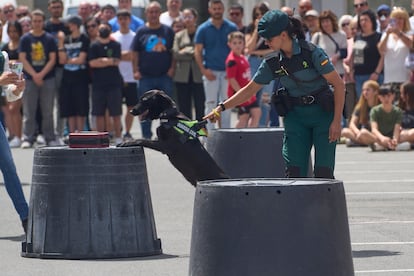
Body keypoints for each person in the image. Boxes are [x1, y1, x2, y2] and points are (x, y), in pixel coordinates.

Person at [204, 10, 345, 179]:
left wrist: (337, 121)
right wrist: (221, 107)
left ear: (284, 35)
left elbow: (338, 84)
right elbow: (249, 90)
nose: (266, 42)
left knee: (324, 173)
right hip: (295, 117)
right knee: (294, 173)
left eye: (269, 39)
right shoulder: (272, 62)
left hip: (323, 115)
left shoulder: (312, 53)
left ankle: (323, 206)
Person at [131, 1, 175, 139]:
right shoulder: (141, 31)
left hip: (164, 76)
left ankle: (166, 134)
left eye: (156, 11)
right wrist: (135, 70)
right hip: (146, 77)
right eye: (151, 12)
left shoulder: (168, 31)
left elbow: (174, 52)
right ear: (146, 14)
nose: (154, 14)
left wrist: (172, 69)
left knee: (167, 107)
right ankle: (146, 135)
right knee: (145, 107)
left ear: (160, 13)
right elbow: (135, 52)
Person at [194, 0, 237, 130]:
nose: (217, 11)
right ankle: (210, 135)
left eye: (219, 8)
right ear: (210, 10)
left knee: (227, 103)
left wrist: (231, 72)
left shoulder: (231, 27)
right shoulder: (203, 28)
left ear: (223, 9)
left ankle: (226, 132)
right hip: (210, 71)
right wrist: (204, 70)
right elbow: (197, 51)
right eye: (214, 8)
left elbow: (236, 50)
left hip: (227, 73)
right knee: (210, 103)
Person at [19, 9, 58, 148]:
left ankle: (49, 137)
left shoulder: (49, 39)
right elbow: (22, 58)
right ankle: (28, 137)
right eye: (34, 21)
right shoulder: (25, 39)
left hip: (47, 78)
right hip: (29, 79)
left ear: (43, 22)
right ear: (31, 23)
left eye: (39, 21)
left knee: (48, 110)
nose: (37, 23)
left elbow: (53, 59)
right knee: (29, 111)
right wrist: (34, 75)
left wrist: (41, 74)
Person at [0, 51, 29, 233]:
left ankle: (26, 217)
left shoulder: (2, 56)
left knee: (9, 166)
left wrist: (17, 89)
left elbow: (7, 94)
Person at [88, 22, 123, 144]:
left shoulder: (116, 45)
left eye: (106, 28)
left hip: (114, 84)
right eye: (101, 27)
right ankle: (100, 138)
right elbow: (92, 63)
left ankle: (118, 137)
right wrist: (108, 61)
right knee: (99, 113)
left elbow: (117, 61)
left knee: (116, 113)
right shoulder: (94, 46)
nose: (103, 29)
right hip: (98, 85)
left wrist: (102, 60)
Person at [244, 2, 276, 127]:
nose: (260, 16)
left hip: (268, 61)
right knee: (252, 96)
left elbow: (274, 49)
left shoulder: (272, 29)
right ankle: (252, 126)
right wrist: (257, 30)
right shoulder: (250, 28)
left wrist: (256, 51)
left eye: (262, 14)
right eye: (257, 14)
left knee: (265, 99)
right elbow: (248, 47)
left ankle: (262, 127)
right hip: (253, 62)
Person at [57, 15, 90, 134]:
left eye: (70, 24)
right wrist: (61, 43)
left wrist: (69, 60)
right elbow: (61, 60)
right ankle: (72, 133)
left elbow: (81, 59)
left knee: (81, 106)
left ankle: (80, 132)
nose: (68, 26)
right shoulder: (66, 39)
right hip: (67, 77)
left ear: (75, 25)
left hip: (80, 77)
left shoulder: (84, 38)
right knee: (69, 107)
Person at [172, 8, 205, 121]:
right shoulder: (179, 35)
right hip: (182, 76)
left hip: (198, 75)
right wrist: (194, 52)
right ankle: (186, 133)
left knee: (200, 105)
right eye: (184, 17)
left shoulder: (201, 33)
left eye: (189, 17)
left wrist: (186, 50)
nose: (187, 20)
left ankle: (200, 131)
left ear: (195, 18)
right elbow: (176, 54)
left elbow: (203, 52)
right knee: (184, 106)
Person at [111, 9, 138, 141]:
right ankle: (118, 131)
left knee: (131, 106)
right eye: (120, 19)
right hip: (116, 77)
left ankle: (127, 131)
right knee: (116, 108)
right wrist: (125, 55)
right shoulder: (114, 37)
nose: (123, 21)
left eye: (125, 19)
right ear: (117, 21)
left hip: (131, 77)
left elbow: (134, 56)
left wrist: (121, 55)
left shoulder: (135, 36)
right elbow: (113, 56)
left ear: (129, 20)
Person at [226, 31, 260, 128]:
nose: (237, 45)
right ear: (229, 44)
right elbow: (232, 80)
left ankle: (250, 136)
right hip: (240, 93)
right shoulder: (232, 60)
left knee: (256, 112)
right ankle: (236, 139)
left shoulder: (243, 57)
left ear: (244, 44)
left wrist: (251, 90)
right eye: (234, 43)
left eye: (240, 43)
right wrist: (241, 93)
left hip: (248, 91)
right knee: (244, 116)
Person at [377, 7, 412, 100]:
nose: (398, 21)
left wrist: (399, 33)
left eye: (401, 18)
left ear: (405, 21)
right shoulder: (386, 35)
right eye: (395, 18)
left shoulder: (409, 33)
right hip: (389, 79)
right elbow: (381, 50)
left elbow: (411, 44)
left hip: (405, 79)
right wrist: (388, 34)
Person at [350, 9, 384, 99]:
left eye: (366, 20)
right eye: (361, 20)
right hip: (359, 76)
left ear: (372, 21)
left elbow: (383, 56)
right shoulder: (357, 37)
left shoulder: (379, 37)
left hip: (374, 76)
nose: (363, 22)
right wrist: (351, 71)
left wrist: (377, 72)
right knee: (362, 104)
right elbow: (354, 55)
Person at [2, 21, 23, 148]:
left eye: (15, 31)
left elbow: (25, 60)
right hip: (7, 79)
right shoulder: (5, 46)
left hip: (20, 78)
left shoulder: (23, 44)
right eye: (10, 31)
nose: (12, 34)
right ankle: (12, 135)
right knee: (7, 109)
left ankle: (19, 136)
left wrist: (15, 62)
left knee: (15, 108)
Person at [341, 80, 379, 147]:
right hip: (361, 133)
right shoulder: (360, 106)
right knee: (345, 131)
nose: (365, 92)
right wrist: (357, 132)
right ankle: (367, 143)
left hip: (374, 134)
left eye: (368, 90)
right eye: (363, 90)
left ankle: (361, 142)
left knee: (364, 133)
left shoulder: (379, 106)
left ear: (375, 92)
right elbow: (352, 123)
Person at [369, 83, 407, 151]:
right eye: (383, 96)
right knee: (363, 133)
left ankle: (384, 146)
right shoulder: (374, 110)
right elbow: (374, 129)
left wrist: (395, 139)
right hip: (379, 137)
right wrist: (382, 138)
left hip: (393, 136)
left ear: (393, 96)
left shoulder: (398, 111)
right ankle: (387, 145)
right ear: (379, 97)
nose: (386, 98)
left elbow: (397, 128)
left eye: (389, 95)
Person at [312, 10, 347, 78]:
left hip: (337, 71)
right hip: (321, 72)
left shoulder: (341, 35)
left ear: (332, 21)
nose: (325, 24)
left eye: (327, 21)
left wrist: (336, 56)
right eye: (323, 22)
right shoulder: (317, 36)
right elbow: (312, 53)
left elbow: (345, 51)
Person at [398, 81, 414, 148]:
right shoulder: (398, 109)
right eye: (401, 93)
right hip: (402, 133)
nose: (402, 96)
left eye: (403, 93)